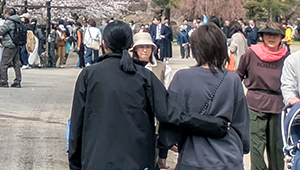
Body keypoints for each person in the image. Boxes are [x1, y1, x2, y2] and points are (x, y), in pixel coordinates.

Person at [69, 20, 229, 170]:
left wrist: (75, 163)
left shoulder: (88, 75)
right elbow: (172, 115)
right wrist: (214, 125)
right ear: (131, 45)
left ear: (104, 44)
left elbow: (77, 123)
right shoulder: (143, 76)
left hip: (96, 159)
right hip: (136, 160)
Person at [157, 22, 251, 170]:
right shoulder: (232, 80)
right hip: (228, 156)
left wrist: (164, 150)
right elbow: (241, 123)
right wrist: (242, 148)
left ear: (196, 48)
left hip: (193, 154)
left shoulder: (182, 78)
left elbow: (170, 118)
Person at [237, 22, 289, 170]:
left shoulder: (287, 57)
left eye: (275, 34)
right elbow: (238, 75)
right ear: (262, 37)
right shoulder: (251, 54)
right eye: (268, 34)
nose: (271, 37)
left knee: (277, 147)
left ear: (281, 38)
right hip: (255, 104)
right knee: (256, 147)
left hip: (278, 105)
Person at [0, 8, 23, 88]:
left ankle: (3, 81)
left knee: (4, 63)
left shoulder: (9, 22)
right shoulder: (18, 21)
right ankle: (18, 81)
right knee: (16, 63)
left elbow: (1, 32)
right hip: (16, 44)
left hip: (9, 44)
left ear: (7, 14)